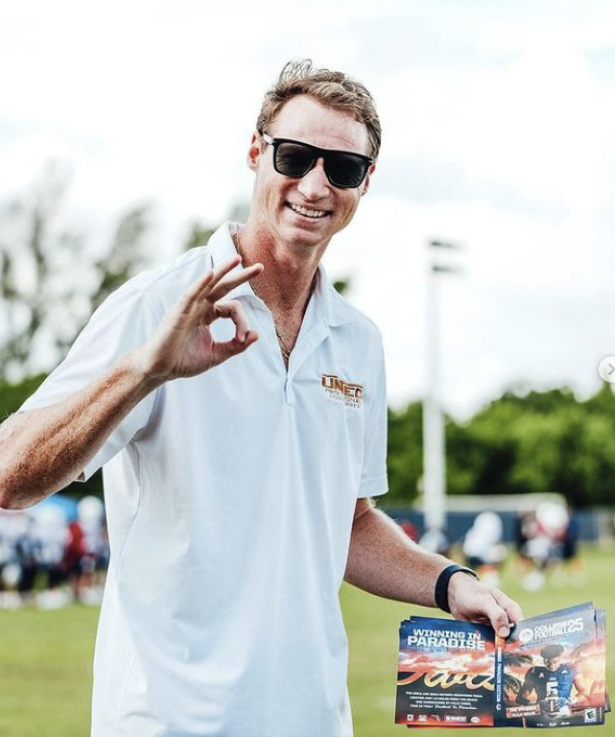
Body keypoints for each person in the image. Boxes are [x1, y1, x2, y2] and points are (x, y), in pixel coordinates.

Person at [0, 60, 522, 737]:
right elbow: (10, 473)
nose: (314, 185)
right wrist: (146, 370)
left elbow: (347, 523)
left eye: (341, 168)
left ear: (366, 182)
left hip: (313, 720)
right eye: (295, 156)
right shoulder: (162, 303)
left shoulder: (357, 340)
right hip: (167, 723)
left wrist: (452, 582)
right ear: (255, 152)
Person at [517, 644, 587, 717]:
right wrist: (536, 704)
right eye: (547, 662)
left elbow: (584, 693)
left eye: (555, 662)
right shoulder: (534, 672)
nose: (551, 666)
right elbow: (520, 698)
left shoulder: (571, 669)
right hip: (542, 716)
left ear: (560, 658)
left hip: (565, 714)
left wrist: (570, 700)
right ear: (543, 659)